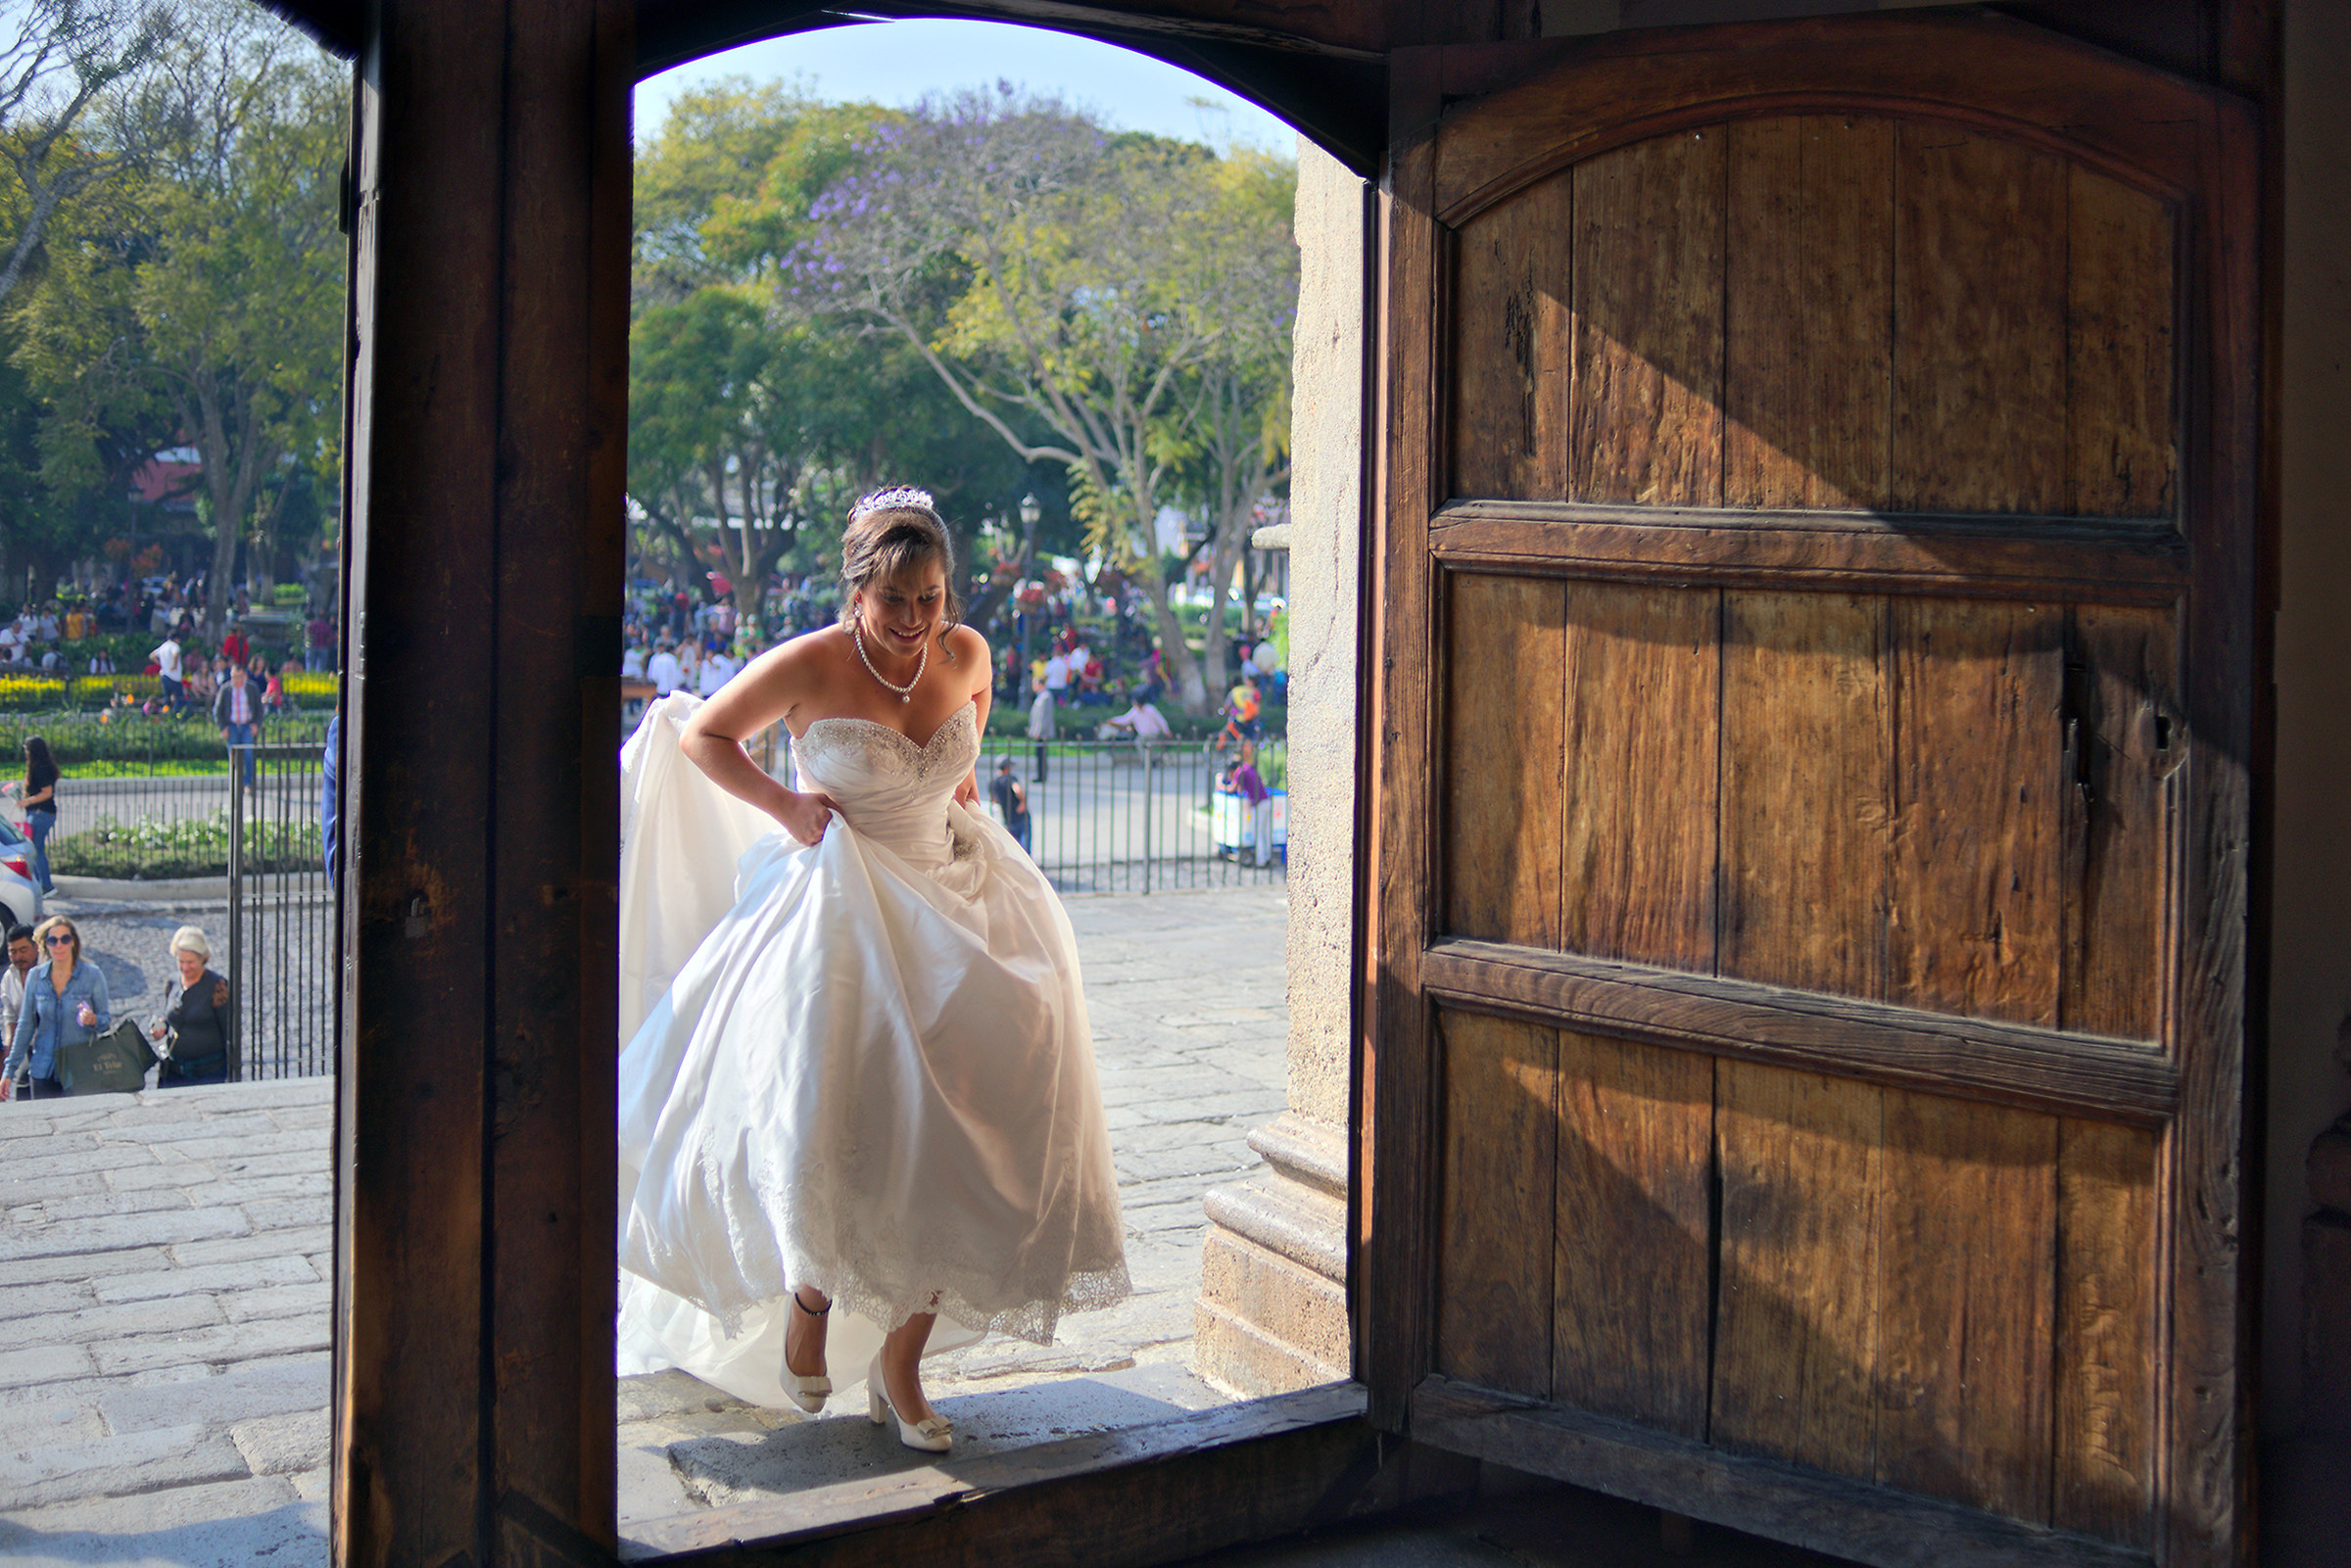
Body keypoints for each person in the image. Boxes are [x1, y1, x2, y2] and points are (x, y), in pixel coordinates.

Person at [616, 485, 1127, 1453]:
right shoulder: (811, 662)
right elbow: (706, 734)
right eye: (895, 600)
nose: (914, 621)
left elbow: (970, 720)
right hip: (843, 902)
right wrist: (786, 805)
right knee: (847, 1111)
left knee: (987, 1118)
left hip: (957, 894)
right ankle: (809, 1288)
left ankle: (902, 1361)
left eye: (931, 597)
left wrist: (962, 780)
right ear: (857, 591)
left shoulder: (966, 653)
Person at [2, 916, 110, 1101]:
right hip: (42, 1070)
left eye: (65, 939)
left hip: (79, 1072)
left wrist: (94, 1020)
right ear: (45, 944)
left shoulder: (92, 975)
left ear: (73, 942)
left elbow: (105, 1022)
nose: (59, 945)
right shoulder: (36, 977)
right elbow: (25, 1025)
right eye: (53, 940)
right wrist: (8, 1071)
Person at [150, 926, 230, 1087]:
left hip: (207, 1073)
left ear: (203, 959)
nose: (185, 968)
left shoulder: (218, 986)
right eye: (181, 961)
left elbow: (228, 1030)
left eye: (191, 962)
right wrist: (161, 1026)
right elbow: (169, 1015)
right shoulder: (172, 981)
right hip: (173, 1072)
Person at [1226, 740, 1276, 868]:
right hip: (1266, 801)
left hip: (1258, 804)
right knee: (1265, 832)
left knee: (1258, 833)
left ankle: (1260, 862)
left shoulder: (1240, 771)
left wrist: (1221, 786)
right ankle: (1267, 857)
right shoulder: (1249, 769)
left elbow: (1232, 789)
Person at [213, 659, 262, 788]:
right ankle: (235, 782)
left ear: (244, 675)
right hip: (232, 726)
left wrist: (256, 724)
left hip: (247, 725)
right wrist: (222, 727)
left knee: (248, 754)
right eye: (234, 676)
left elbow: (259, 709)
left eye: (239, 676)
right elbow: (217, 710)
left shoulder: (252, 688)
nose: (236, 679)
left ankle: (248, 783)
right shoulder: (226, 689)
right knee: (233, 756)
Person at [20, 736, 58, 895]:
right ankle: (39, 884)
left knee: (36, 850)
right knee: (34, 849)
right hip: (40, 813)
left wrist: (27, 801)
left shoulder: (41, 768)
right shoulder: (41, 766)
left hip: (40, 813)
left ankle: (45, 885)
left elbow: (47, 792)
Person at [0, 925, 35, 1080]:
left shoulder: (47, 971)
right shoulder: (9, 977)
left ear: (36, 947)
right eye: (12, 952)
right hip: (25, 1045)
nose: (18, 957)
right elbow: (10, 1017)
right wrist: (9, 1052)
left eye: (23, 950)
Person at [988, 754, 1031, 855]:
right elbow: (1018, 790)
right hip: (1020, 817)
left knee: (1012, 848)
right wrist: (1023, 802)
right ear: (1007, 768)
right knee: (1024, 848)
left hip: (1007, 817)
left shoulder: (993, 782)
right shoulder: (1011, 779)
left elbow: (994, 800)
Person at [1027, 675, 1056, 783]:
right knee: (1039, 754)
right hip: (1039, 731)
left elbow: (1045, 717)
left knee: (1042, 755)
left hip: (1042, 733)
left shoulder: (1046, 697)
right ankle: (1040, 775)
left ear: (1040, 684)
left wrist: (1039, 731)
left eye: (1035, 684)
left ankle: (1042, 776)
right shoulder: (1041, 696)